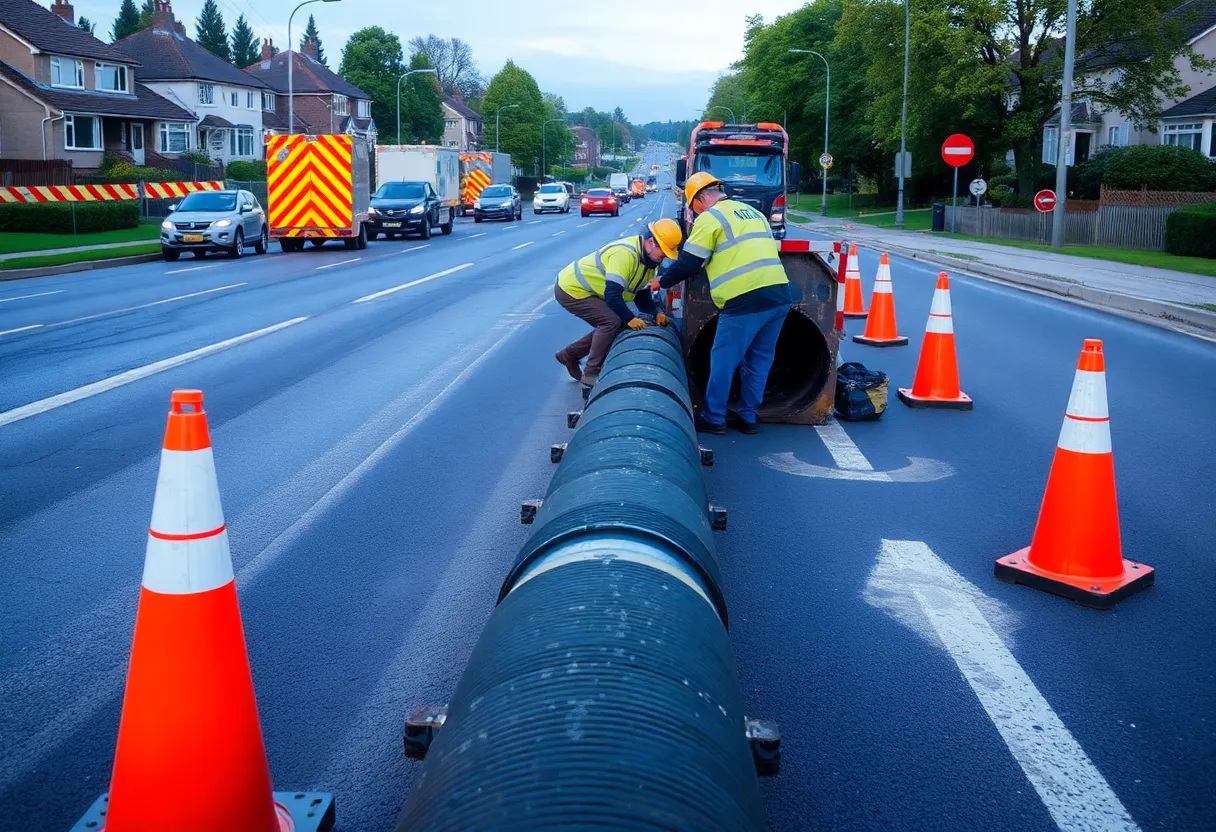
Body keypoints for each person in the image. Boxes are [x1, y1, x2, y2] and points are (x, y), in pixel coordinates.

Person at [656, 172, 791, 435]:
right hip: (779, 295)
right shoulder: (752, 213)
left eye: (694, 207)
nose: (695, 213)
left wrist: (661, 281)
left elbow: (689, 262)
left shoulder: (711, 217)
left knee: (724, 360)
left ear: (703, 198)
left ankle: (714, 418)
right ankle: (748, 418)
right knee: (759, 360)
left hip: (744, 299)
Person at [554, 218, 683, 387]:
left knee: (617, 323)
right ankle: (591, 373)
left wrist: (655, 312)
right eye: (664, 251)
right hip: (572, 289)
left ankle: (570, 355)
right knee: (611, 321)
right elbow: (613, 295)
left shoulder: (649, 262)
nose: (664, 257)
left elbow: (641, 294)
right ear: (651, 242)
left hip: (591, 291)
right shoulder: (625, 254)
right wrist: (629, 318)